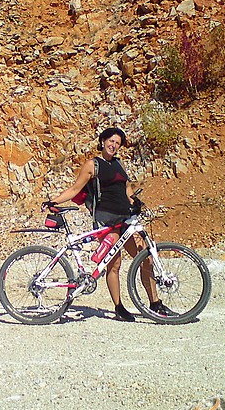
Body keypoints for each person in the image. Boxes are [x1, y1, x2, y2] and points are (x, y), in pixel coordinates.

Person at [44, 127, 175, 322]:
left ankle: (155, 304)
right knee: (114, 265)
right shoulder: (92, 165)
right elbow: (74, 189)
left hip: (125, 219)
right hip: (106, 220)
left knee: (146, 259)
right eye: (111, 141)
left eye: (117, 143)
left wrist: (135, 201)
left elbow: (127, 187)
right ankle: (119, 307)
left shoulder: (119, 164)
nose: (114, 145)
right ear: (103, 141)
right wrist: (53, 201)